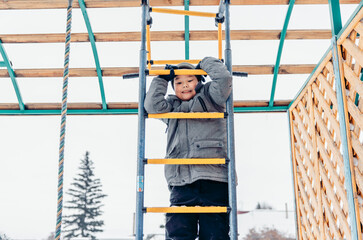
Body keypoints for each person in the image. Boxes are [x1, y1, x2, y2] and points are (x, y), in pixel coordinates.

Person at [144, 56, 232, 240]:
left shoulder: (211, 98)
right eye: (178, 82)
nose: (184, 85)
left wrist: (204, 64)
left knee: (215, 230)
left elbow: (224, 80)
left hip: (213, 175)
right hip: (181, 177)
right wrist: (162, 77)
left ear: (199, 81)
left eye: (190, 80)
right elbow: (151, 105)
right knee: (178, 229)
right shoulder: (172, 109)